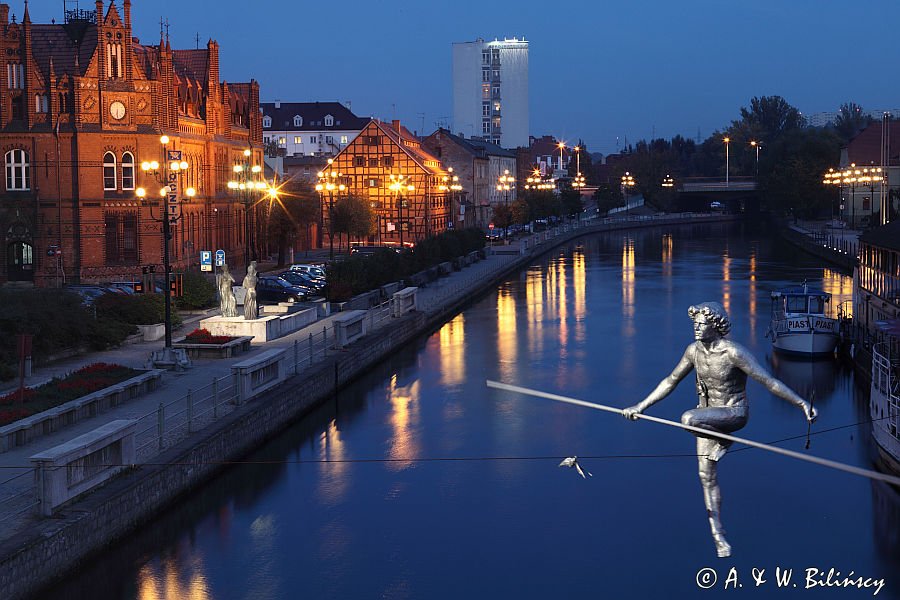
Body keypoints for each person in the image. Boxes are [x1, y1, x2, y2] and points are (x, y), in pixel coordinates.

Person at [622, 302, 816, 558]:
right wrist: (641, 406)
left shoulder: (733, 353)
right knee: (706, 476)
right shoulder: (693, 351)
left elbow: (768, 381)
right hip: (708, 417)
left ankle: (725, 441)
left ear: (715, 326)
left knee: (688, 418)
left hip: (733, 415)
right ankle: (718, 534)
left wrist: (801, 402)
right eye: (695, 324)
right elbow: (671, 380)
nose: (697, 328)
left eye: (702, 324)